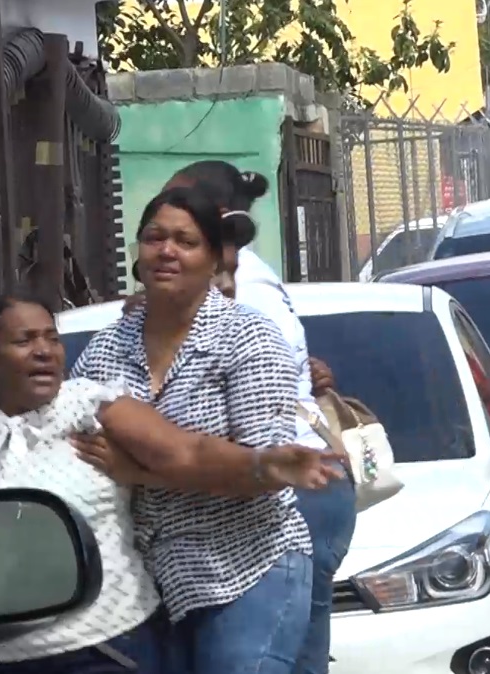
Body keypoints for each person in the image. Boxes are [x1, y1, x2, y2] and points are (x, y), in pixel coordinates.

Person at [0, 292, 338, 674]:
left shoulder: (91, 405)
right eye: (25, 341)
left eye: (52, 339)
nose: (44, 352)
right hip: (8, 659)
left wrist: (262, 462)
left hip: (112, 648)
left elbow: (185, 453)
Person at [72, 187, 314, 674]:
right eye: (154, 238)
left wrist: (137, 471)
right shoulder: (105, 349)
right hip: (146, 589)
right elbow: (73, 449)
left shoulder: (249, 337)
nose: (167, 251)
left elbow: (263, 473)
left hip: (246, 569)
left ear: (212, 261)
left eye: (186, 241)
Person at [162, 160, 358, 674]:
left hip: (294, 488)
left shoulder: (245, 294)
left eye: (179, 212)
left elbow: (246, 439)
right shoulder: (223, 287)